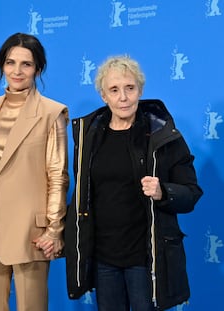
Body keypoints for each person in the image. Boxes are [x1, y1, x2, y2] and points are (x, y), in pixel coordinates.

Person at [64, 55, 203, 311]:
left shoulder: (163, 135)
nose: (123, 97)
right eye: (114, 90)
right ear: (104, 96)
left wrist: (164, 191)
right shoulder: (90, 137)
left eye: (130, 88)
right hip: (104, 257)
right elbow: (83, 196)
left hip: (145, 257)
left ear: (140, 90)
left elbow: (191, 193)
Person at [0, 32, 69, 311]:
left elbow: (57, 175)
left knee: (31, 303)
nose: (17, 70)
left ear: (38, 68)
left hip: (30, 221)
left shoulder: (52, 112)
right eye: (10, 62)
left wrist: (54, 228)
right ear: (2, 65)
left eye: (26, 64)